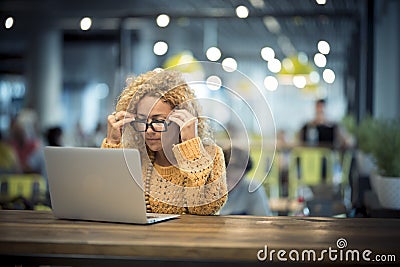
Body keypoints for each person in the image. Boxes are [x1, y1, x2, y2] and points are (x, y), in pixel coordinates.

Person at [101, 69, 227, 215]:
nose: (148, 130)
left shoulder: (211, 155)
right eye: (142, 119)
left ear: (182, 119)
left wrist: (191, 147)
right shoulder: (135, 157)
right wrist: (112, 143)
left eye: (158, 121)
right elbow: (107, 200)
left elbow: (204, 209)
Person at [219, 147, 272, 216]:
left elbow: (263, 220)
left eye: (236, 180)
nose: (231, 185)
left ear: (244, 174)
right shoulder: (208, 189)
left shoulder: (253, 189)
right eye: (227, 178)